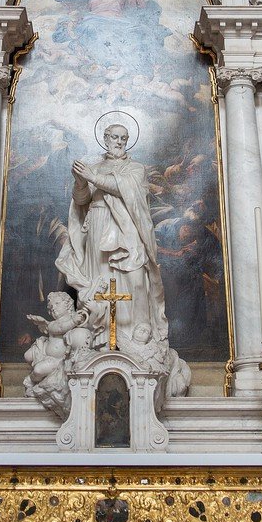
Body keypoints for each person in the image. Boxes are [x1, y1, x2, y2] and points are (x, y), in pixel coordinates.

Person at [57, 123, 169, 353]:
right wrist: (81, 182)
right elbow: (81, 201)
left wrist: (92, 177)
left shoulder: (135, 168)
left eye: (123, 138)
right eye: (115, 137)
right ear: (106, 138)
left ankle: (140, 338)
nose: (119, 142)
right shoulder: (95, 167)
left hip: (128, 228)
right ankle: (100, 338)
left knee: (136, 282)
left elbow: (125, 188)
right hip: (98, 227)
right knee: (100, 280)